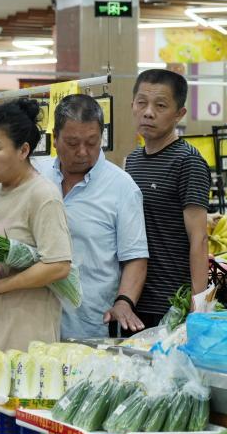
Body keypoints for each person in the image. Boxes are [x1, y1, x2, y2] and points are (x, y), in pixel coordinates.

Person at [0, 99, 72, 359]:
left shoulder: (42, 195)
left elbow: (58, 265)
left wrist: (1, 286)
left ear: (23, 150)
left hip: (22, 343)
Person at [36, 94, 149, 338]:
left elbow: (135, 257)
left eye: (92, 142)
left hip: (89, 323)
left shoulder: (122, 187)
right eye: (73, 143)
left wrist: (124, 301)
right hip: (35, 318)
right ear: (55, 138)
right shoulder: (37, 176)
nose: (83, 152)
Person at [125, 69, 211, 328]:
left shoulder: (188, 162)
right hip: (134, 299)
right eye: (142, 103)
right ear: (132, 106)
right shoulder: (132, 160)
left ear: (179, 114)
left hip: (173, 302)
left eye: (160, 105)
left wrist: (198, 305)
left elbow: (200, 238)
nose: (148, 112)